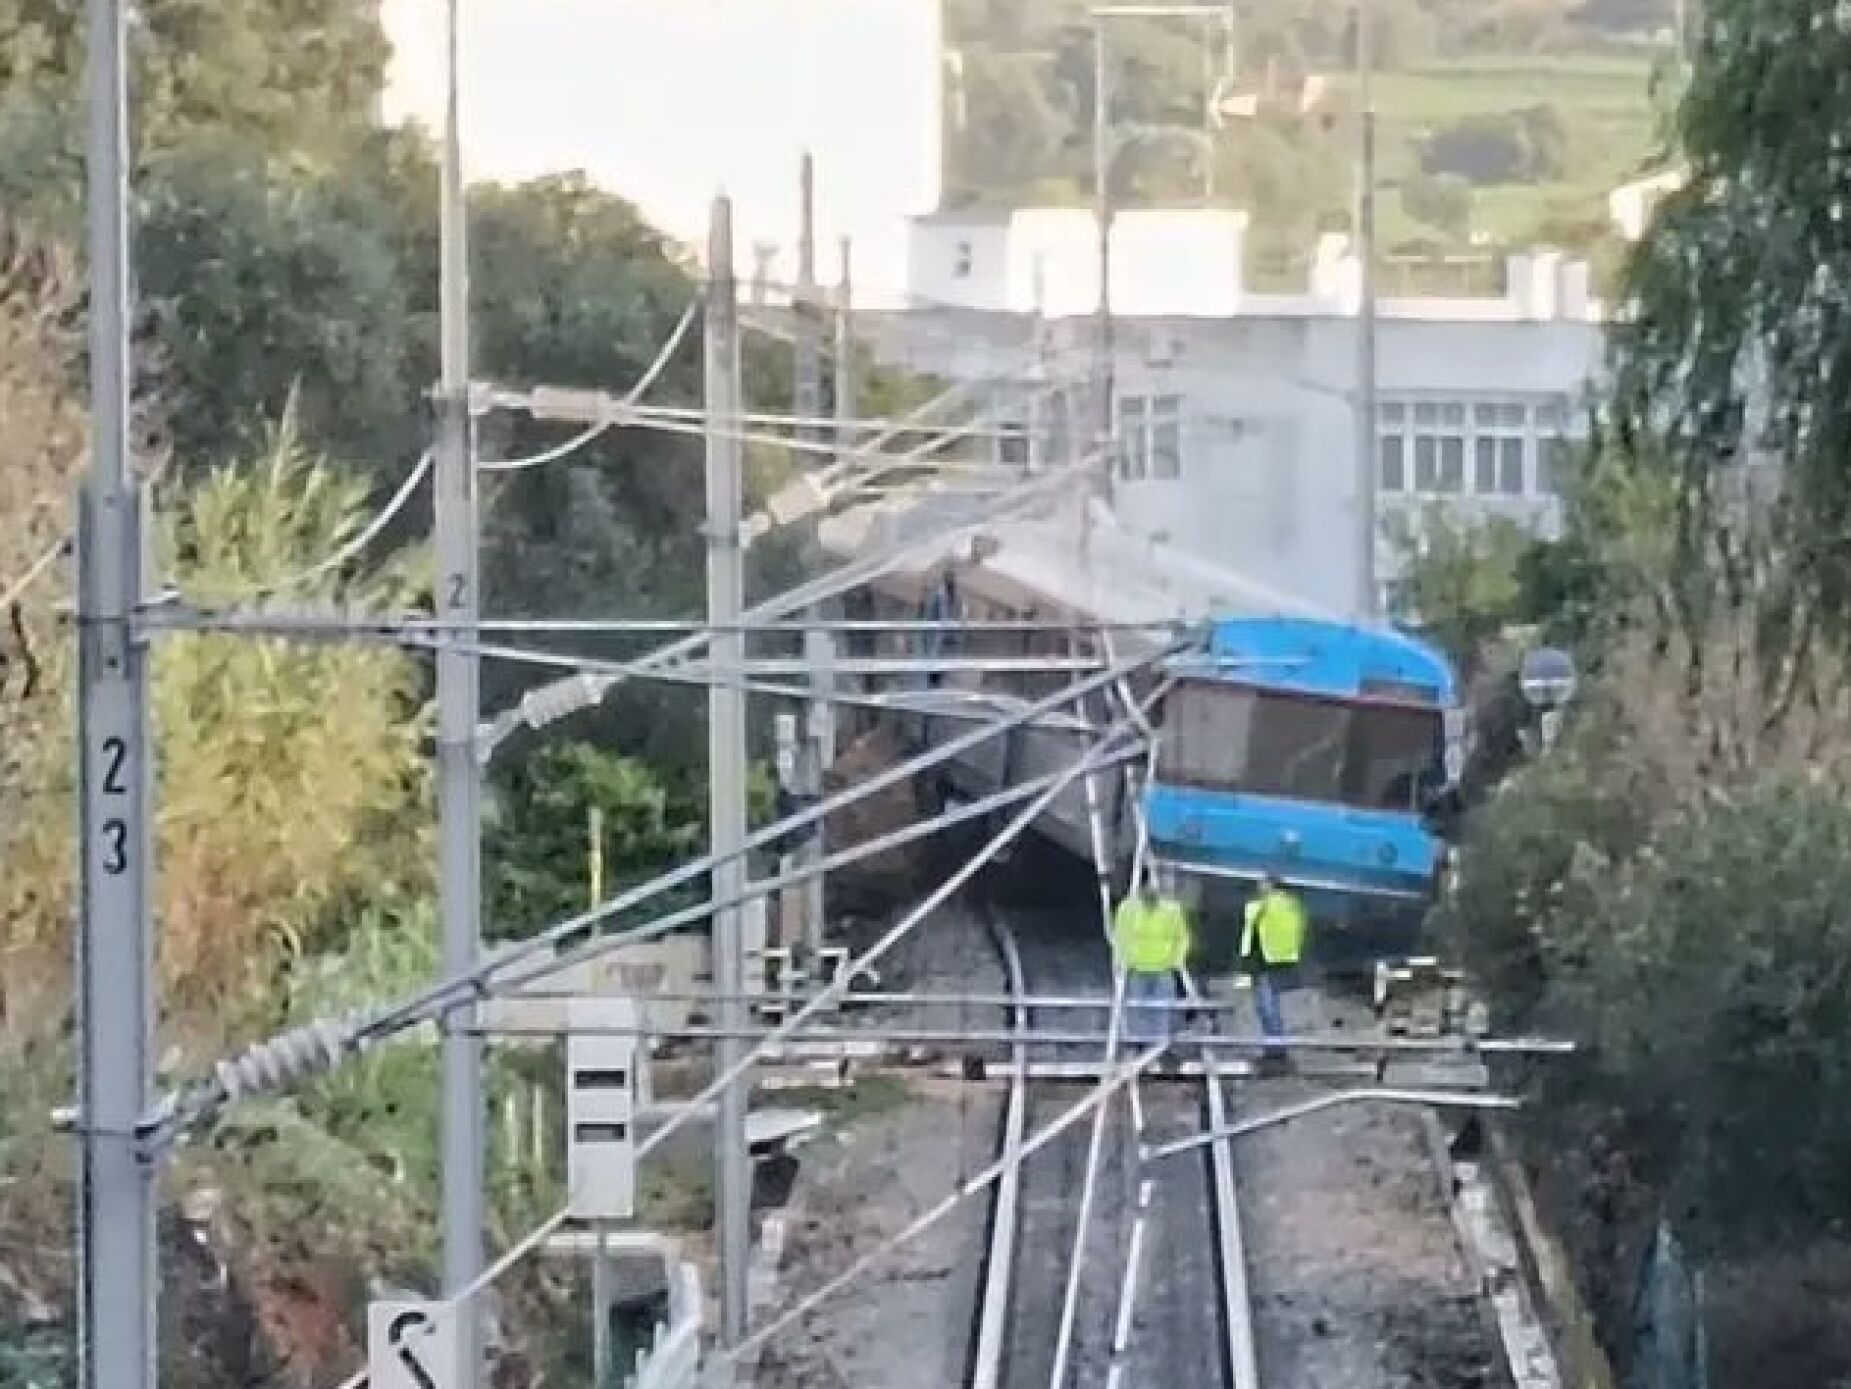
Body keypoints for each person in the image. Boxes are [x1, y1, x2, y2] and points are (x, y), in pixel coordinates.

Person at [1111, 876, 1191, 1049]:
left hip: (1163, 968)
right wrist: (1121, 959)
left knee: (1162, 1010)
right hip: (1137, 968)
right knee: (1137, 1009)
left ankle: (1158, 1047)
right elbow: (1119, 936)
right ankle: (1139, 1045)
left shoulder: (1172, 910)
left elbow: (1182, 937)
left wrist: (1177, 959)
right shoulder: (1127, 909)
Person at [1241, 872, 1307, 1062]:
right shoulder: (1288, 906)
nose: (1258, 886)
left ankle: (1276, 1050)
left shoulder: (1272, 905)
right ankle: (1274, 1047)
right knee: (1266, 1007)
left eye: (1262, 883)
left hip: (1267, 962)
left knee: (1268, 1007)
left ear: (1270, 885)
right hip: (1266, 961)